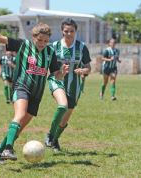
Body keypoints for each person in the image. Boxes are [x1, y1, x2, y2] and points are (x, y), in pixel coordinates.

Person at [0, 14, 68, 164]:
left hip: (37, 94)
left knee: (20, 127)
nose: (42, 43)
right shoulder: (23, 45)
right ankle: (8, 149)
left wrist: (62, 72)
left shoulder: (50, 53)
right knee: (19, 114)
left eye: (45, 41)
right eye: (40, 40)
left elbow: (56, 75)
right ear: (33, 37)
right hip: (21, 87)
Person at [45, 18, 91, 151]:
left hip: (74, 85)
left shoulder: (81, 47)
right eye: (66, 31)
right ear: (61, 31)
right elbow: (46, 64)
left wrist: (83, 70)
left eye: (71, 31)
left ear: (75, 31)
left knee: (66, 115)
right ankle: (50, 134)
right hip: (57, 81)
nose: (69, 34)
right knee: (62, 106)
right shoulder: (54, 47)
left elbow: (88, 67)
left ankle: (55, 140)